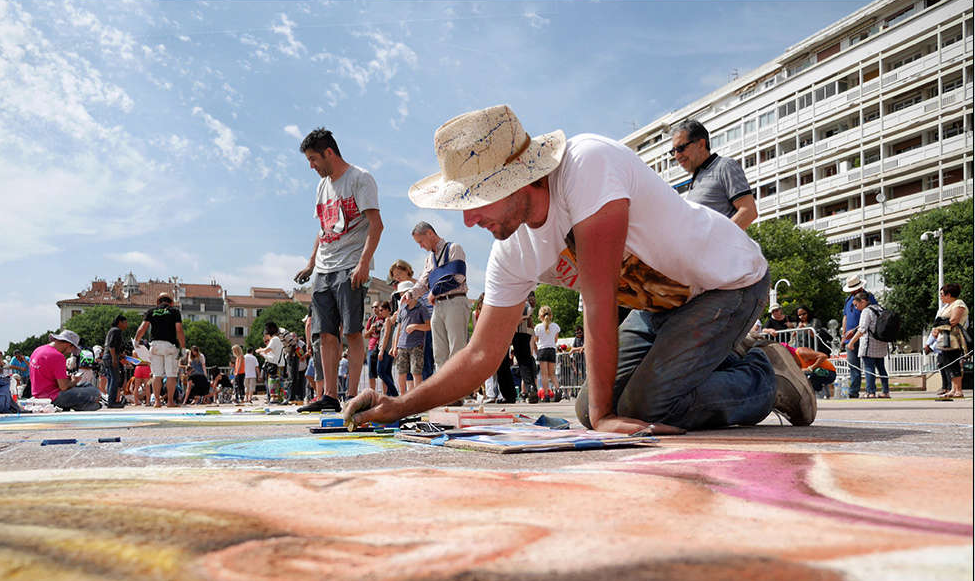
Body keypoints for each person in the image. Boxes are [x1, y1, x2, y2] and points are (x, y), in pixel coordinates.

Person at [347, 104, 814, 431]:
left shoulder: (585, 166)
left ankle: (767, 378)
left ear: (517, 180)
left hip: (729, 284)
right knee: (591, 409)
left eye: (476, 200)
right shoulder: (513, 248)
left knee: (647, 407)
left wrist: (611, 418)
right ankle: (722, 358)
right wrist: (400, 405)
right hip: (660, 310)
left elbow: (598, 301)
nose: (468, 219)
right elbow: (479, 355)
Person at [295, 127, 383, 413]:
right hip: (324, 268)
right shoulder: (322, 187)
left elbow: (376, 225)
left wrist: (364, 262)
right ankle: (330, 396)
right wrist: (311, 263)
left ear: (329, 152)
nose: (311, 166)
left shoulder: (360, 179)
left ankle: (353, 396)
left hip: (350, 265)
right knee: (324, 333)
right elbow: (322, 230)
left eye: (313, 159)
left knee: (353, 332)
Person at [670, 119, 757, 230]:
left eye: (681, 148)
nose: (677, 156)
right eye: (674, 151)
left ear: (701, 144)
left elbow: (748, 211)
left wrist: (716, 243)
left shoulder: (725, 166)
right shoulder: (696, 180)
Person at [409, 222, 469, 372]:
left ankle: (457, 390)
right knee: (439, 351)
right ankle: (444, 391)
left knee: (457, 348)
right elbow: (423, 281)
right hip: (438, 306)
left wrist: (434, 291)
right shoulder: (429, 258)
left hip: (455, 301)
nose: (420, 246)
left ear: (430, 233)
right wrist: (410, 294)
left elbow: (458, 277)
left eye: (421, 241)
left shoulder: (454, 248)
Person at [133, 293, 186, 407]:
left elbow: (143, 327)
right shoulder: (174, 311)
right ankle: (170, 402)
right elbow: (179, 330)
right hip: (170, 346)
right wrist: (183, 347)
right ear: (170, 302)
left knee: (157, 375)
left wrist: (136, 341)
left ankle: (157, 401)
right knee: (171, 375)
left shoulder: (151, 311)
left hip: (155, 345)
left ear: (158, 302)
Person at [28, 330, 102, 411]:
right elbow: (64, 387)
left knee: (86, 385)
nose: (70, 352)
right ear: (69, 344)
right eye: (72, 349)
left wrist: (65, 378)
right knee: (94, 391)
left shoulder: (38, 350)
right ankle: (81, 405)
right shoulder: (58, 356)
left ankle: (79, 405)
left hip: (38, 394)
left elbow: (45, 375)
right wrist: (74, 381)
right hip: (53, 397)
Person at [841, 275, 879, 399]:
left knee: (868, 364)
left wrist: (855, 330)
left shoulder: (869, 297)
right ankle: (853, 391)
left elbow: (872, 315)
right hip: (849, 337)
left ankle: (870, 390)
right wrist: (844, 335)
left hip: (864, 335)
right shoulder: (848, 300)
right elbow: (845, 317)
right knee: (853, 366)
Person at [847, 291, 890, 399]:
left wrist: (851, 342)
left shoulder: (866, 311)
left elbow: (862, 329)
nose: (856, 308)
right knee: (881, 368)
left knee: (869, 368)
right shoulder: (880, 308)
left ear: (863, 301)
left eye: (856, 305)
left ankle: (870, 392)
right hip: (881, 343)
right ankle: (885, 391)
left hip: (869, 344)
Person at [931, 283, 969, 399]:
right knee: (947, 363)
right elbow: (940, 321)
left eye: (942, 294)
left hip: (954, 338)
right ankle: (953, 389)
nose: (940, 297)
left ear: (949, 294)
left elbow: (953, 321)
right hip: (944, 339)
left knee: (954, 363)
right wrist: (936, 328)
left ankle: (958, 390)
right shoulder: (947, 306)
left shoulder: (959, 304)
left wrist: (938, 326)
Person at [391, 281, 430, 395]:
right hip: (401, 346)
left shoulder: (421, 309)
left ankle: (417, 398)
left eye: (404, 294)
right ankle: (403, 397)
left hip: (416, 346)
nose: (402, 298)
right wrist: (394, 346)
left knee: (416, 372)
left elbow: (428, 326)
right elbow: (398, 328)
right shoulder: (402, 310)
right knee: (401, 373)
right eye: (401, 296)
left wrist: (415, 326)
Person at [513, 292, 539, 403]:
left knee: (523, 363)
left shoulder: (522, 301)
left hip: (519, 331)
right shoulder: (529, 301)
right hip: (527, 332)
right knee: (527, 361)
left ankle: (530, 388)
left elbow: (523, 315)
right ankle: (532, 389)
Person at [533, 305, 561, 401]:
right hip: (552, 349)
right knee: (552, 374)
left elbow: (536, 340)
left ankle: (546, 395)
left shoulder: (538, 327)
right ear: (551, 315)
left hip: (542, 350)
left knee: (544, 375)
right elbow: (556, 340)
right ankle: (558, 390)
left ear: (540, 316)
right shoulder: (556, 326)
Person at [256, 322, 286, 403]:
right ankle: (280, 398)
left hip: (275, 365)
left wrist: (260, 351)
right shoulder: (278, 339)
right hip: (280, 364)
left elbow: (267, 350)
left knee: (273, 382)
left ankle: (274, 398)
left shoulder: (274, 339)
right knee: (279, 382)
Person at [103, 314, 128, 407]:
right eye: (125, 323)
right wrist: (114, 358)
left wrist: (120, 355)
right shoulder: (116, 331)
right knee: (115, 379)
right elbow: (112, 345)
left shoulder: (112, 330)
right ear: (120, 323)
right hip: (111, 357)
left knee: (111, 379)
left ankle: (110, 400)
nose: (126, 325)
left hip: (107, 356)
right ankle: (112, 402)